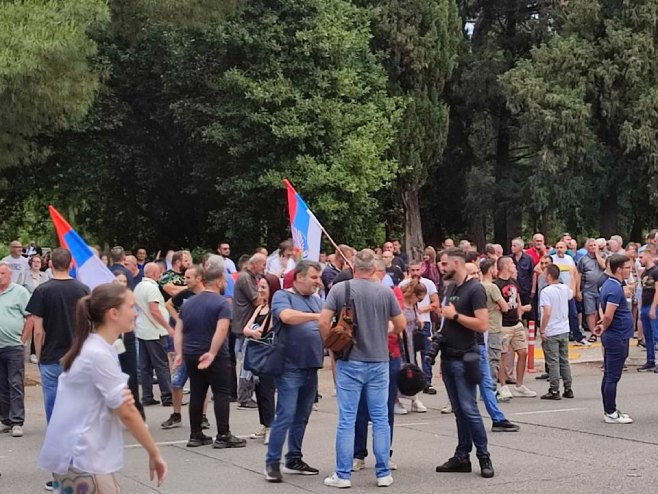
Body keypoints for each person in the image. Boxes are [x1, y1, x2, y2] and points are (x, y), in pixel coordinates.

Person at [37, 283, 167, 492]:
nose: (135, 313)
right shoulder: (98, 354)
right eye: (131, 307)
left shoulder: (97, 348)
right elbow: (127, 412)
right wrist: (154, 452)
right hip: (82, 458)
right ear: (113, 313)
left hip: (81, 457)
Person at [320, 250, 405, 489]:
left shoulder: (340, 289)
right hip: (379, 360)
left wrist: (332, 344)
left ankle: (343, 474)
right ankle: (383, 472)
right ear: (374, 268)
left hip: (350, 360)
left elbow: (323, 322)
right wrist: (383, 330)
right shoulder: (385, 291)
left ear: (353, 267)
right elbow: (400, 324)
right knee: (380, 418)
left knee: (347, 418)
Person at [434, 248, 494, 479]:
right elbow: (447, 322)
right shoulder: (450, 288)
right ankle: (462, 455)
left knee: (469, 409)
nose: (441, 267)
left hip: (465, 357)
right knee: (459, 410)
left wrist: (455, 316)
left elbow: (482, 324)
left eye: (444, 263)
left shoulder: (475, 289)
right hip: (448, 356)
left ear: (457, 263)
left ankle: (484, 456)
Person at [264, 260, 324, 483]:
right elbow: (286, 316)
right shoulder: (283, 296)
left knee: (302, 416)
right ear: (299, 277)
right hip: (290, 366)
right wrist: (317, 317)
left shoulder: (316, 300)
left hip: (311, 365)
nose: (318, 282)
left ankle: (294, 459)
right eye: (314, 277)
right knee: (286, 414)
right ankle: (272, 462)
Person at [175, 263, 246, 449]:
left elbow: (179, 330)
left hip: (191, 352)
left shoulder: (189, 303)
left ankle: (195, 434)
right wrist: (212, 352)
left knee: (197, 392)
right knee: (221, 393)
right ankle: (223, 434)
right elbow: (221, 329)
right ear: (220, 281)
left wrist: (179, 353)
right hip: (213, 354)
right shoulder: (221, 303)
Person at [352, 258, 404, 471]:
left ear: (380, 273)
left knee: (385, 409)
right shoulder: (355, 291)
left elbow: (398, 322)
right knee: (359, 409)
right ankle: (358, 453)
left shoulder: (391, 292)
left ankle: (385, 453)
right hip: (360, 354)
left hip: (388, 354)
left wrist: (378, 328)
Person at [27, 248, 90, 423]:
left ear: (50, 264)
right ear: (71, 265)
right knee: (78, 402)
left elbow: (38, 331)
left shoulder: (42, 290)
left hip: (51, 355)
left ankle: (56, 434)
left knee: (52, 402)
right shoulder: (83, 289)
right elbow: (90, 325)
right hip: (77, 355)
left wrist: (39, 355)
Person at [162, 265, 209, 429]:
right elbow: (168, 304)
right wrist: (178, 320)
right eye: (185, 277)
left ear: (199, 278)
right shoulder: (185, 294)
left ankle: (203, 416)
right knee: (176, 381)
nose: (185, 280)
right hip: (184, 344)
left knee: (202, 384)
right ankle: (176, 414)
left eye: (188, 277)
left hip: (202, 345)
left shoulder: (208, 295)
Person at [593, 255, 634, 424]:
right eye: (627, 268)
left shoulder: (612, 285)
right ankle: (610, 412)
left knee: (609, 374)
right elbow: (609, 314)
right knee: (612, 376)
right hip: (617, 336)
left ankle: (610, 410)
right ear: (618, 269)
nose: (630, 270)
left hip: (617, 334)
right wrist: (605, 325)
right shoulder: (614, 288)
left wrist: (603, 326)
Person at [243, 273, 281, 444]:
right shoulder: (260, 308)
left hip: (269, 355)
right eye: (259, 286)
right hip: (257, 353)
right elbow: (246, 329)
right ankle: (265, 424)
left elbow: (262, 332)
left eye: (264, 287)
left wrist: (252, 332)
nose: (260, 290)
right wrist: (252, 332)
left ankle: (272, 427)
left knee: (267, 390)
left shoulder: (274, 310)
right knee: (258, 389)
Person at [495, 256, 536, 399]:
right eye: (512, 263)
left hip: (515, 323)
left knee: (523, 352)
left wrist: (520, 315)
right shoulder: (497, 284)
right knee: (503, 355)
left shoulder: (513, 282)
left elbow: (517, 300)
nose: (514, 265)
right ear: (505, 266)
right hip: (503, 325)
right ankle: (503, 386)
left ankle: (519, 385)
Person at [134, 263, 174, 407]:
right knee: (161, 365)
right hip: (155, 331)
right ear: (153, 273)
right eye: (159, 272)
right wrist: (167, 327)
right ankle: (167, 396)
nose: (160, 275)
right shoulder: (152, 288)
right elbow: (154, 310)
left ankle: (147, 396)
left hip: (143, 330)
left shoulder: (138, 286)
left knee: (145, 367)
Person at [399, 261, 439, 394]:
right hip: (405, 335)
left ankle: (425, 382)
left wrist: (420, 313)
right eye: (413, 270)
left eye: (418, 269)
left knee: (425, 353)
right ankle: (410, 385)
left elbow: (435, 303)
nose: (415, 272)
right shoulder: (403, 290)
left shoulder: (428, 284)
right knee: (409, 359)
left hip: (417, 329)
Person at [231, 253, 266, 408]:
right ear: (255, 264)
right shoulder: (245, 278)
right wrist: (266, 294)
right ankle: (244, 396)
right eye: (263, 264)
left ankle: (246, 395)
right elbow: (257, 300)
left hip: (245, 324)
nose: (264, 268)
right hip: (244, 324)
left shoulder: (249, 277)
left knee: (248, 359)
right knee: (247, 361)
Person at [0, 262, 31, 437]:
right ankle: (6, 420)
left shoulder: (20, 292)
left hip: (13, 346)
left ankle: (17, 421)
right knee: (2, 385)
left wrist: (23, 339)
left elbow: (30, 317)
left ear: (9, 275)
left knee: (15, 383)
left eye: (2, 273)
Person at [538, 265, 574, 400]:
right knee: (564, 360)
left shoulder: (546, 292)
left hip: (552, 330)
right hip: (564, 328)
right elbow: (572, 293)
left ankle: (554, 389)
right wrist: (574, 276)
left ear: (549, 276)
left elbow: (547, 312)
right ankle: (568, 387)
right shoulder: (564, 289)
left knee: (553, 361)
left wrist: (542, 329)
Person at [395, 280, 428, 414]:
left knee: (411, 368)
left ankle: (414, 398)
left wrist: (419, 320)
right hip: (400, 339)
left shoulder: (413, 305)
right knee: (399, 369)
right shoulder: (399, 303)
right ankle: (396, 399)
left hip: (410, 341)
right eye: (419, 299)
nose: (419, 302)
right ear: (413, 295)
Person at [577, 238, 606, 342]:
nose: (593, 247)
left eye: (595, 245)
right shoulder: (583, 260)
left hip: (602, 290)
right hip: (588, 289)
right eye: (591, 245)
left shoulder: (604, 257)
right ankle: (593, 332)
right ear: (587, 247)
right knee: (590, 312)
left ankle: (604, 331)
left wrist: (597, 255)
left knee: (603, 311)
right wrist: (578, 290)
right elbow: (579, 275)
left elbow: (604, 266)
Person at [637, 246, 658, 372]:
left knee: (656, 334)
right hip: (645, 305)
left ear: (648, 256)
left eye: (641, 257)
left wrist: (653, 307)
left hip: (653, 306)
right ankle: (650, 360)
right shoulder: (645, 273)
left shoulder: (655, 271)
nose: (639, 260)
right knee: (648, 335)